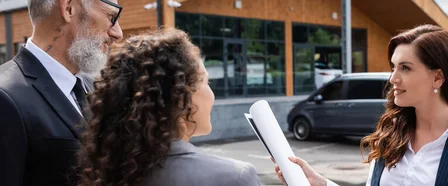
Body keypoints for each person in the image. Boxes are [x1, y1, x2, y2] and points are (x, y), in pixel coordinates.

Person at [274, 24, 448, 186]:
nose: (393, 78)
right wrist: (318, 182)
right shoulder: (391, 134)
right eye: (393, 67)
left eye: (405, 68)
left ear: (437, 78)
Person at [76, 28, 261, 186]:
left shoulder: (105, 169)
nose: (212, 93)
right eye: (207, 82)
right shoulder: (234, 177)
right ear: (182, 96)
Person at [0, 0, 123, 185]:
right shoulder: (6, 95)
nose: (118, 33)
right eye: (111, 17)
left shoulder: (96, 88)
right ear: (68, 8)